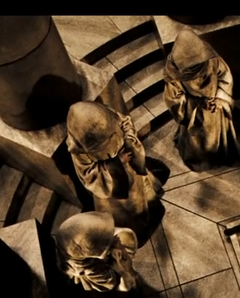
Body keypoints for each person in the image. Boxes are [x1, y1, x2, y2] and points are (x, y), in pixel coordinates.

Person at [65, 101, 170, 247]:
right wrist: (117, 164)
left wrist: (129, 141)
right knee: (127, 213)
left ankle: (149, 212)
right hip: (114, 190)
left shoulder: (108, 116)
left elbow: (125, 123)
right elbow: (90, 177)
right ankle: (135, 232)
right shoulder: (79, 151)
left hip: (132, 171)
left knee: (143, 197)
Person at [163, 29, 240, 172]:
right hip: (194, 111)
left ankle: (220, 151)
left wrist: (220, 97)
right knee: (199, 140)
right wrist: (189, 109)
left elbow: (225, 77)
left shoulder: (211, 60)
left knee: (220, 133)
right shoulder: (174, 74)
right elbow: (173, 98)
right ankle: (205, 156)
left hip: (216, 106)